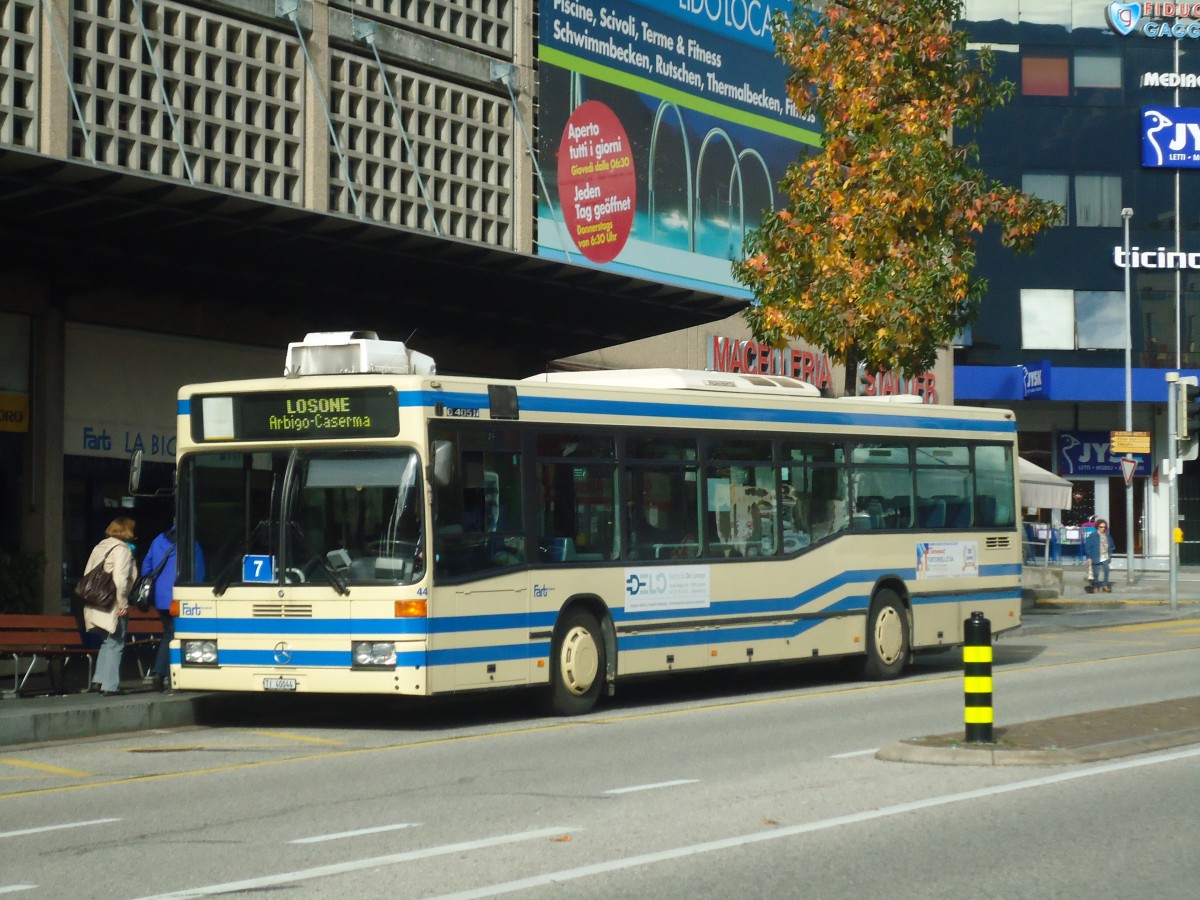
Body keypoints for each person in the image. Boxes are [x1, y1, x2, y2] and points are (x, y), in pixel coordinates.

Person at [141, 523, 206, 692]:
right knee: (176, 636)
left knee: (168, 633)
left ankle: (158, 673)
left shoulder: (158, 540)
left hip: (161, 598)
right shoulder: (191, 543)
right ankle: (172, 678)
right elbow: (199, 571)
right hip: (180, 597)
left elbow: (147, 566)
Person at [82, 517, 138, 695]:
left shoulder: (100, 546)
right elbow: (121, 579)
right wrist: (123, 603)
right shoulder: (122, 550)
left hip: (95, 600)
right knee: (116, 643)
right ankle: (110, 686)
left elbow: (88, 573)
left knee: (106, 642)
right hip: (111, 602)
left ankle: (99, 681)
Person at [1084, 518, 1115, 593]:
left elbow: (1112, 544)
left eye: (1104, 527)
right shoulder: (1093, 535)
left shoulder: (1107, 535)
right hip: (1096, 556)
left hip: (1105, 556)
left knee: (1106, 570)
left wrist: (1110, 551)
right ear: (1097, 527)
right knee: (1096, 573)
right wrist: (1089, 556)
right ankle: (1095, 586)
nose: (1103, 528)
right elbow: (1088, 546)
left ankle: (1105, 585)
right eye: (1101, 527)